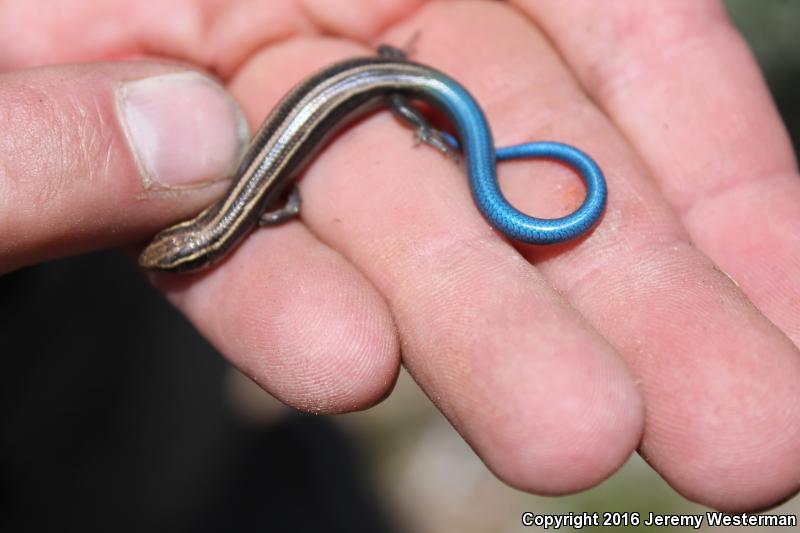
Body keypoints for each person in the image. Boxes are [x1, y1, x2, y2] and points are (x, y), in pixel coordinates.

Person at [2, 0, 798, 524]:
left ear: (207, 236)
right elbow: (276, 200)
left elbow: (279, 203)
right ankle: (469, 139)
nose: (179, 253)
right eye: (186, 250)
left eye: (187, 250)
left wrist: (416, 108)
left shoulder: (243, 214)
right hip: (389, 81)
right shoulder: (247, 205)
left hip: (393, 86)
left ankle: (470, 138)